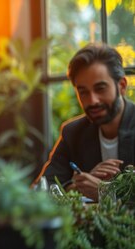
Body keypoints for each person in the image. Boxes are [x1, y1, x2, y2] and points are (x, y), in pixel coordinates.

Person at [36, 43, 134, 200]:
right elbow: (41, 190)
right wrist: (78, 187)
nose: (92, 100)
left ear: (122, 86)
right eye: (83, 92)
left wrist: (106, 192)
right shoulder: (73, 132)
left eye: (100, 88)